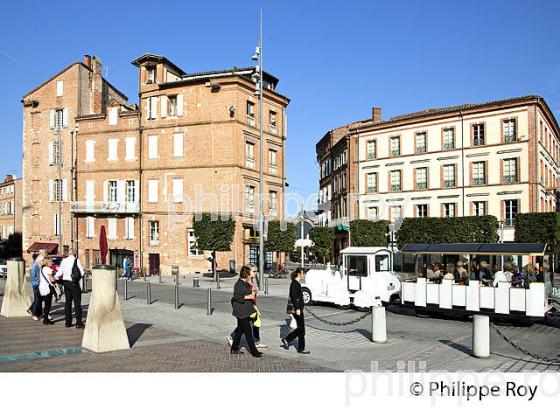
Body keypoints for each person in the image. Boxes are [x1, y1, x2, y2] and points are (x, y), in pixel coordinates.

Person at [227, 265, 267, 349]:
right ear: (248, 272)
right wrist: (250, 295)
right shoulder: (244, 282)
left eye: (256, 271)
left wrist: (255, 292)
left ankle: (255, 342)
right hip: (245, 308)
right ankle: (234, 338)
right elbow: (239, 296)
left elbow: (255, 293)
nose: (256, 273)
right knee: (247, 326)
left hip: (251, 305)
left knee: (253, 324)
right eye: (254, 271)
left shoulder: (251, 281)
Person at [281, 267, 310, 354]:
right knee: (301, 329)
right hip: (297, 309)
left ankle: (300, 347)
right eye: (303, 273)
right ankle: (288, 340)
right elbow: (294, 297)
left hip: (298, 309)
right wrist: (297, 308)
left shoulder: (296, 283)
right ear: (299, 273)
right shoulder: (295, 284)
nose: (303, 275)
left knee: (301, 329)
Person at [55, 251, 85, 328]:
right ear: (75, 254)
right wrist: (78, 278)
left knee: (68, 303)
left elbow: (60, 272)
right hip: (74, 283)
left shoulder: (64, 261)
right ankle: (79, 322)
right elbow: (82, 272)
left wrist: (55, 277)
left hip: (66, 283)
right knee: (77, 303)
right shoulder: (76, 260)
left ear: (68, 253)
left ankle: (68, 322)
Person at [27, 249, 47, 321]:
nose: (46, 253)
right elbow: (34, 273)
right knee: (38, 299)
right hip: (37, 283)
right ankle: (34, 313)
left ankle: (38, 313)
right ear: (41, 253)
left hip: (40, 283)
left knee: (40, 298)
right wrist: (36, 283)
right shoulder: (38, 261)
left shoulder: (40, 261)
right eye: (45, 252)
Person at [39, 257, 56, 325]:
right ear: (47, 262)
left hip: (42, 288)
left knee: (46, 304)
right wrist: (56, 278)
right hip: (48, 289)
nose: (52, 263)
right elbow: (52, 279)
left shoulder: (42, 269)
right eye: (51, 261)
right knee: (48, 305)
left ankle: (45, 319)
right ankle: (46, 320)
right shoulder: (48, 269)